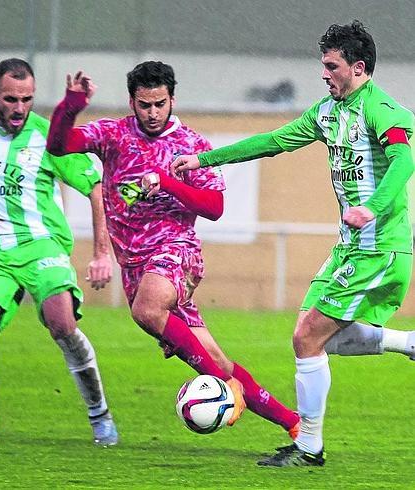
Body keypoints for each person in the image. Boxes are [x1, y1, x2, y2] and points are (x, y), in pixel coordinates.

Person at [171, 21, 414, 466]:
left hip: (380, 246)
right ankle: (408, 344)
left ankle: (309, 448)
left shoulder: (384, 110)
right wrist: (204, 159)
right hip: (350, 248)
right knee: (321, 340)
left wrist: (372, 208)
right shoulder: (327, 112)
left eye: (331, 65)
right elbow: (272, 141)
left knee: (307, 338)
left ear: (358, 68)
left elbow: (404, 160)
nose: (323, 73)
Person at [46, 60, 302, 437]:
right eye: (145, 104)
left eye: (160, 104)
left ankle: (228, 390)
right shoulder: (114, 135)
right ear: (132, 102)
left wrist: (166, 180)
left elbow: (214, 207)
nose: (153, 113)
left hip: (176, 251)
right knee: (215, 361)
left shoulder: (191, 144)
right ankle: (294, 425)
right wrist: (71, 104)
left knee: (147, 309)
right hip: (135, 266)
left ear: (172, 100)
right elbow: (58, 145)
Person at [0, 58, 118, 446]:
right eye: (10, 98)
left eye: (26, 99)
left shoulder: (48, 136)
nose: (19, 107)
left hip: (42, 246)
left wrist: (101, 253)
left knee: (62, 324)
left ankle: (98, 412)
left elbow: (95, 187)